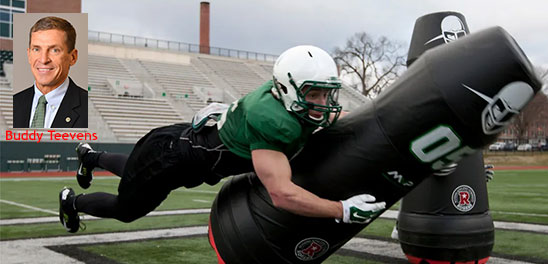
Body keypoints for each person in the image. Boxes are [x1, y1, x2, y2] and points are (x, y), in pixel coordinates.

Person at [59, 45, 385, 233]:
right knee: (126, 208)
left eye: (325, 94)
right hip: (171, 159)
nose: (322, 103)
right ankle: (71, 202)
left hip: (181, 144)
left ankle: (90, 157)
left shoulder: (285, 97)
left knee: (133, 168)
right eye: (314, 94)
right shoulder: (273, 122)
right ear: (288, 89)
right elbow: (283, 195)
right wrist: (339, 209)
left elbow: (330, 117)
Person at [13, 16, 87, 128]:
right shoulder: (14, 103)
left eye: (54, 50)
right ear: (29, 55)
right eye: (36, 49)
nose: (43, 60)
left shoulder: (87, 107)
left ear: (73, 57)